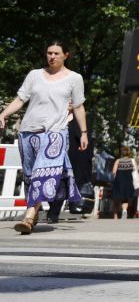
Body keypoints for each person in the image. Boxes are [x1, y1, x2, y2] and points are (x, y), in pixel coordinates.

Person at [0, 40, 88, 235]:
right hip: (28, 131)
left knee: (43, 173)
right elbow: (20, 99)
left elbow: (79, 106)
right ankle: (35, 210)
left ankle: (29, 215)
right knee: (30, 175)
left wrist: (83, 132)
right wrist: (3, 114)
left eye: (57, 53)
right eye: (49, 53)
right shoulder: (34, 75)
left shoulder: (74, 78)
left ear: (66, 55)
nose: (52, 57)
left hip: (55, 132)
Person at [47, 103, 95, 223]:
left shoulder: (82, 119)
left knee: (63, 183)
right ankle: (52, 210)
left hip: (76, 158)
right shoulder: (55, 117)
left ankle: (54, 212)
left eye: (71, 100)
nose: (68, 103)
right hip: (55, 155)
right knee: (53, 181)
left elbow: (88, 142)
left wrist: (87, 162)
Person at [111, 146, 137, 219]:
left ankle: (115, 216)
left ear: (121, 153)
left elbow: (113, 172)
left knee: (116, 199)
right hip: (128, 182)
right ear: (129, 153)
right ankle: (124, 210)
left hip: (119, 182)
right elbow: (135, 171)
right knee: (125, 198)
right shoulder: (132, 161)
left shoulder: (118, 161)